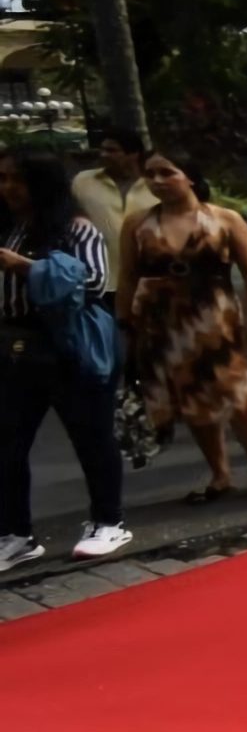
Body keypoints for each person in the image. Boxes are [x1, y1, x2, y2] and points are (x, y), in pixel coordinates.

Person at [117, 149, 247, 503]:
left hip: (215, 319)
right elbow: (128, 274)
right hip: (161, 321)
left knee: (240, 400)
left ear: (189, 176)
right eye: (151, 174)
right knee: (191, 401)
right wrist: (124, 320)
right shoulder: (137, 223)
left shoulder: (225, 219)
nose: (157, 181)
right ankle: (220, 474)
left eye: (167, 172)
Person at [0, 151, 128, 566]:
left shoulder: (76, 229)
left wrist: (26, 268)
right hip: (16, 349)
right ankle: (16, 533)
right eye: (3, 179)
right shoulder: (14, 228)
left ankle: (108, 522)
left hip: (68, 347)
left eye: (15, 179)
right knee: (8, 444)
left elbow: (91, 283)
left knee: (91, 437)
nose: (7, 188)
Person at [71, 128, 157, 292]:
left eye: (112, 151)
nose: (103, 155)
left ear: (134, 154)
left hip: (146, 282)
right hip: (97, 282)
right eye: (102, 150)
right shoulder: (82, 181)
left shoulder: (155, 186)